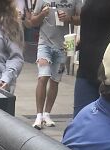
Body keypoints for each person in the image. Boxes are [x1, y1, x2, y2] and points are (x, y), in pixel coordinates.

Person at [27, 0, 81, 129]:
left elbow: (81, 19)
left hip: (64, 45)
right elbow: (32, 22)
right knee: (43, 76)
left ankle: (47, 114)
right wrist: (42, 15)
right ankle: (38, 115)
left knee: (55, 80)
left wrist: (69, 18)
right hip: (44, 43)